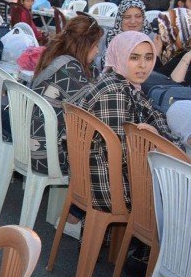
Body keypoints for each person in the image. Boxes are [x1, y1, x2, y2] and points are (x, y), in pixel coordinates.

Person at [69, 31, 182, 215]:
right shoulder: (115, 92)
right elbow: (122, 155)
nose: (143, 65)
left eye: (148, 57)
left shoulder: (120, 82)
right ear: (120, 55)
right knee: (181, 192)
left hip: (98, 178)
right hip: (109, 187)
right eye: (134, 57)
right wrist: (152, 142)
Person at [29, 15, 103, 173]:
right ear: (84, 45)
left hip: (33, 146)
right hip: (48, 156)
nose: (98, 51)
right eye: (96, 45)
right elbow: (93, 112)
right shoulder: (70, 69)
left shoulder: (56, 57)